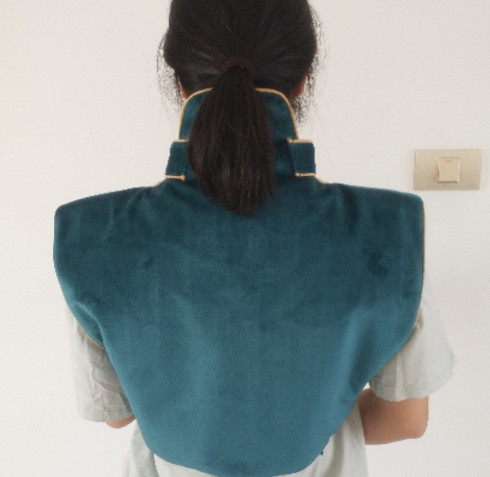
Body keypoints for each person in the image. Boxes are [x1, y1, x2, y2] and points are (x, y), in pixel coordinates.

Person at [53, 0, 454, 476]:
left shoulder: (96, 238)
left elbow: (118, 413)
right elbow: (406, 420)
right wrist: (308, 420)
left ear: (178, 81)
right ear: (304, 78)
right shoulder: (387, 235)